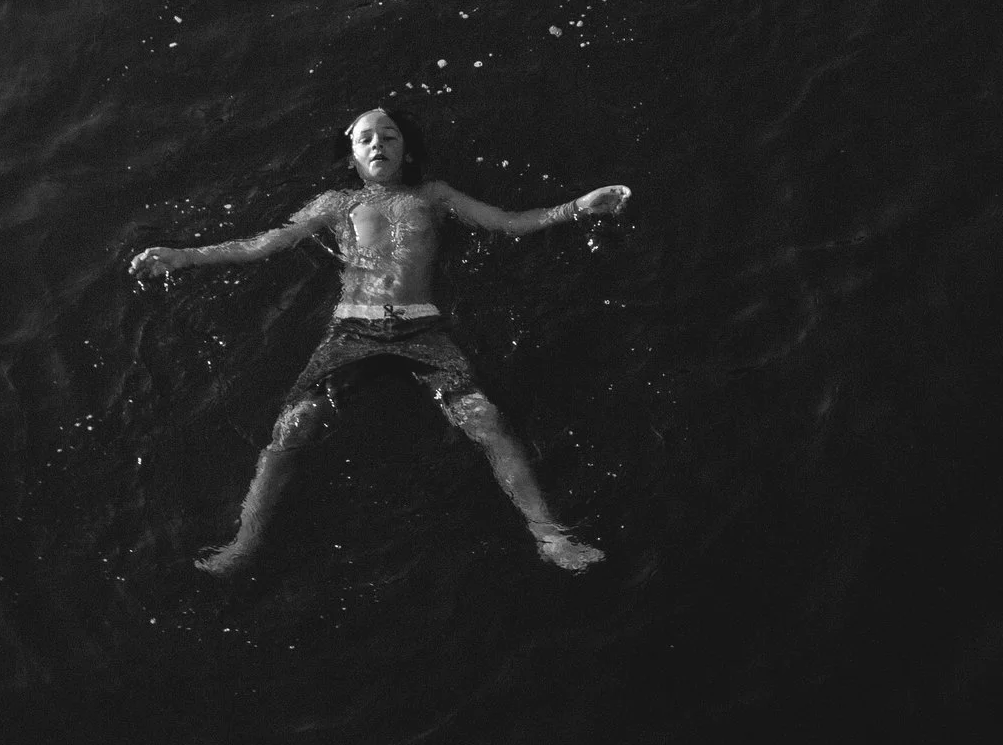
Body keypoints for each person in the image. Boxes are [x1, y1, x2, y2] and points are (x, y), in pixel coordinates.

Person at [129, 106, 631, 575]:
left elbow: (507, 223)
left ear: (407, 151)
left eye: (389, 136)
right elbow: (264, 243)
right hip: (353, 329)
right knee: (292, 426)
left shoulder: (433, 196)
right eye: (365, 138)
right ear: (352, 155)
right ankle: (243, 543)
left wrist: (576, 208)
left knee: (484, 418)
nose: (377, 144)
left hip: (422, 328)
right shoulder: (336, 203)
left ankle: (549, 537)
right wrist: (186, 256)